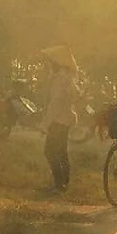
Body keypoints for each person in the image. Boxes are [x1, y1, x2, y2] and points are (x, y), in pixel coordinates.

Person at [41, 45, 80, 193]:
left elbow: (55, 103)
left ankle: (59, 184)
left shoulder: (60, 79)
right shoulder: (67, 77)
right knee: (61, 151)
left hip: (58, 120)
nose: (49, 63)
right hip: (65, 119)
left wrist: (45, 124)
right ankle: (64, 181)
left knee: (50, 151)